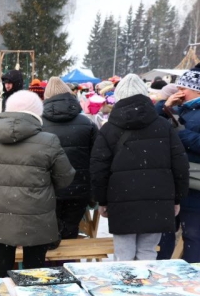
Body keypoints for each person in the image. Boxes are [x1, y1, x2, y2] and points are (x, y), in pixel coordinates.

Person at [0, 91, 75, 276]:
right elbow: (65, 178)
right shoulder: (48, 141)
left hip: (0, 215)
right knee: (34, 274)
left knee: (1, 271)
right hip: (36, 216)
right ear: (37, 113)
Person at [91, 74, 189, 261]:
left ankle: (124, 289)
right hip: (157, 199)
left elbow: (98, 169)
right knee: (148, 253)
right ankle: (144, 288)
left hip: (121, 199)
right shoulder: (163, 126)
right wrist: (176, 198)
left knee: (124, 255)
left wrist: (102, 200)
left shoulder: (109, 129)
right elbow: (180, 165)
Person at [41, 77, 98, 241]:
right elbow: (97, 157)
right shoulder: (87, 123)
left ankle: (51, 263)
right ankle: (67, 263)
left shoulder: (38, 123)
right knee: (70, 232)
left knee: (49, 236)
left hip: (48, 190)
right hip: (79, 190)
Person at [158, 65, 200, 262]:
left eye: (184, 89)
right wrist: (163, 105)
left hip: (194, 185)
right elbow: (152, 121)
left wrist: (182, 134)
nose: (179, 92)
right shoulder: (177, 108)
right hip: (172, 182)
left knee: (193, 235)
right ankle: (162, 272)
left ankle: (194, 280)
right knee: (165, 233)